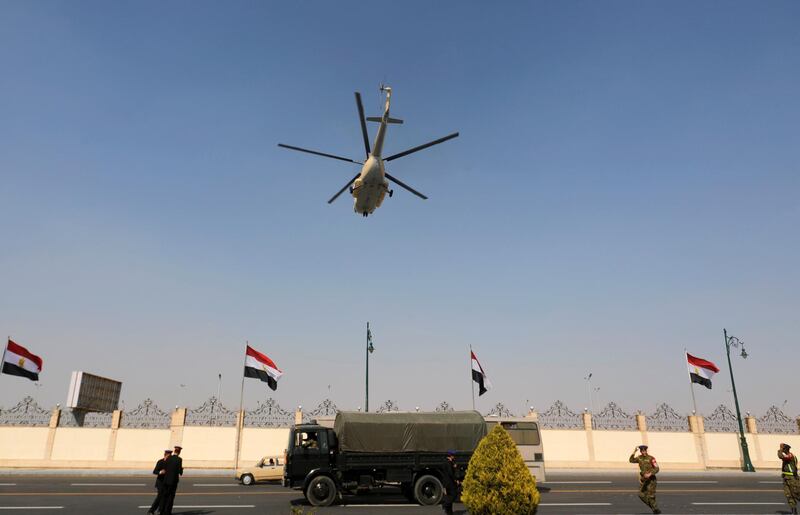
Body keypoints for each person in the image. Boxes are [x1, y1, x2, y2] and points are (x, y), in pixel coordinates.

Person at [629, 444, 660, 514]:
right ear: (640, 451)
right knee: (641, 494)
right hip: (644, 480)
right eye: (642, 450)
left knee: (651, 496)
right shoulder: (639, 458)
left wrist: (650, 474)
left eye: (644, 450)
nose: (643, 451)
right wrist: (634, 451)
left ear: (646, 450)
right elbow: (631, 460)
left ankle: (655, 509)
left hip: (651, 480)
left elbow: (657, 468)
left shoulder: (651, 458)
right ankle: (653, 507)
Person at [159, 445, 183, 515]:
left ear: (174, 451)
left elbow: (165, 468)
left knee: (164, 496)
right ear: (179, 452)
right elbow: (179, 471)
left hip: (166, 480)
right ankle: (168, 512)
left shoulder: (169, 458)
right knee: (171, 497)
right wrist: (181, 470)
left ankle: (162, 511)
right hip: (173, 481)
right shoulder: (179, 459)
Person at [147, 449, 172, 515]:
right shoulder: (160, 462)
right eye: (169, 456)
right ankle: (151, 510)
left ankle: (160, 510)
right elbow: (154, 471)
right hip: (160, 482)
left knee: (163, 497)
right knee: (160, 496)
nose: (170, 457)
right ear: (165, 455)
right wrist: (160, 472)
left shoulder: (170, 463)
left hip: (167, 482)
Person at [779, 443, 800, 514]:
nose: (782, 451)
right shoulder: (787, 456)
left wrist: (780, 450)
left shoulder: (790, 456)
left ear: (786, 449)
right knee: (789, 495)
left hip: (792, 479)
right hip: (786, 478)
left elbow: (781, 456)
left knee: (796, 494)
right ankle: (794, 512)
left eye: (783, 449)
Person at [441, 450, 459, 515]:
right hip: (450, 482)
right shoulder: (449, 463)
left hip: (446, 482)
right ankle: (445, 504)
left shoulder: (445, 462)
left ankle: (449, 512)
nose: (454, 457)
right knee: (454, 495)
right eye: (453, 455)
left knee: (449, 496)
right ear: (450, 456)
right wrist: (455, 480)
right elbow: (450, 473)